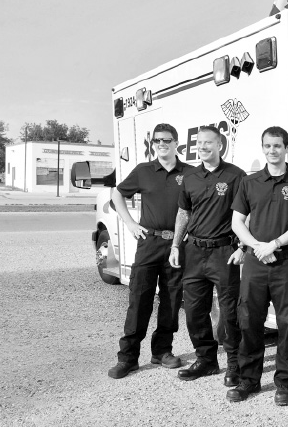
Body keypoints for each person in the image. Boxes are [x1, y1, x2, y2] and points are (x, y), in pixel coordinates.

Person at [226, 127, 288, 405]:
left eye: (277, 146)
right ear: (262, 148)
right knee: (249, 321)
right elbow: (237, 222)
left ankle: (285, 383)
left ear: (286, 148)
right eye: (267, 146)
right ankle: (249, 381)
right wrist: (256, 246)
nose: (272, 151)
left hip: (287, 262)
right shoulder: (249, 182)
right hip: (255, 262)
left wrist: (273, 244)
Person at [107, 123, 188, 379]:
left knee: (172, 300)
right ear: (153, 144)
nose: (162, 144)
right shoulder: (143, 171)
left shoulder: (190, 173)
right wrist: (130, 224)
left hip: (177, 245)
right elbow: (116, 194)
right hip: (149, 243)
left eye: (167, 140)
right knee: (139, 300)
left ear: (177, 143)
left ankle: (162, 351)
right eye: (157, 141)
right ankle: (128, 358)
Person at [168, 126, 247, 385]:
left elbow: (249, 214)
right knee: (193, 310)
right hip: (194, 252)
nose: (202, 147)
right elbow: (183, 214)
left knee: (229, 311)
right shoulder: (190, 177)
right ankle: (206, 360)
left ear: (220, 145)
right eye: (199, 143)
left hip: (224, 251)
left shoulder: (236, 176)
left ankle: (234, 364)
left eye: (208, 143)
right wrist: (176, 245)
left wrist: (243, 247)